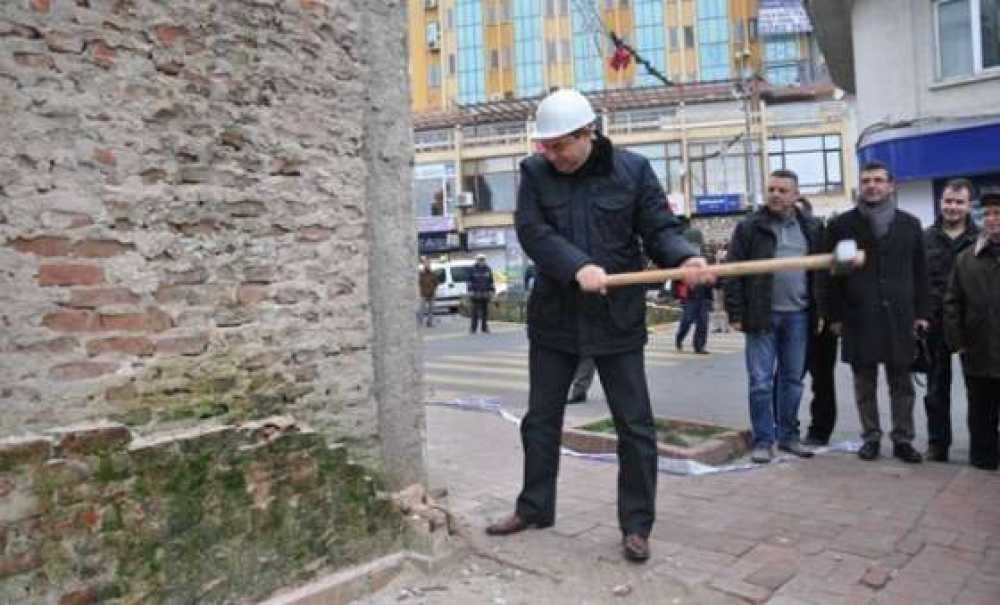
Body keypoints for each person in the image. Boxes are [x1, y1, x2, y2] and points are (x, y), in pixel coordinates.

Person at [485, 88, 711, 563]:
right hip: (556, 318)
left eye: (559, 145)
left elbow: (659, 229)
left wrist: (685, 257)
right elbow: (533, 231)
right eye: (544, 146)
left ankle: (636, 526)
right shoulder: (535, 173)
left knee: (635, 426)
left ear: (588, 134)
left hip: (616, 319)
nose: (550, 154)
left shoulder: (632, 170)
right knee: (541, 420)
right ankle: (534, 508)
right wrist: (576, 265)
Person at [822, 160, 929, 463]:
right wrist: (835, 316)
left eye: (878, 180)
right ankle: (870, 438)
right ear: (861, 185)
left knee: (902, 384)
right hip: (859, 315)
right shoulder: (841, 225)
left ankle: (903, 440)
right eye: (867, 180)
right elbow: (829, 275)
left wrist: (921, 312)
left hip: (900, 316)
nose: (872, 185)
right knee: (864, 383)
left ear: (891, 185)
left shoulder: (909, 224)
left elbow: (920, 271)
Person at [724, 170, 820, 463]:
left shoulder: (811, 228)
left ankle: (789, 436)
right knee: (761, 382)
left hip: (799, 316)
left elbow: (821, 275)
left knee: (792, 380)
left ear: (795, 194)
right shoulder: (749, 227)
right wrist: (736, 313)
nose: (776, 195)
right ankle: (763, 440)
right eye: (772, 189)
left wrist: (821, 311)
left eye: (783, 190)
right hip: (761, 316)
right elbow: (732, 272)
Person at [922, 179, 980, 462]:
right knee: (935, 389)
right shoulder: (925, 238)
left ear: (969, 206)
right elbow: (916, 282)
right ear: (940, 202)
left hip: (972, 327)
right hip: (934, 324)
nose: (952, 207)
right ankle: (938, 444)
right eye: (948, 201)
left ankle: (982, 444)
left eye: (959, 202)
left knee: (979, 390)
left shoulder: (981, 240)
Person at [944, 191, 1000, 471]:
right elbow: (952, 302)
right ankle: (984, 459)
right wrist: (958, 342)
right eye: (987, 214)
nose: (991, 219)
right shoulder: (966, 259)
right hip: (977, 350)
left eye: (997, 213)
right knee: (981, 410)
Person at [797, 198, 839, 447]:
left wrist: (830, 314)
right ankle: (786, 427)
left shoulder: (822, 235)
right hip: (790, 317)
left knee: (822, 379)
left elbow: (831, 278)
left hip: (820, 319)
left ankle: (820, 430)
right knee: (788, 378)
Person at [468, 254, 495, 334]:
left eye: (483, 259)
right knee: (474, 312)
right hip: (475, 294)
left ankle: (484, 328)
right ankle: (473, 328)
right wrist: (470, 290)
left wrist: (492, 290)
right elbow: (469, 281)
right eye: (480, 259)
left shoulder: (488, 269)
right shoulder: (472, 269)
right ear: (477, 260)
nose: (481, 261)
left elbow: (491, 281)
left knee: (485, 312)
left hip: (485, 293)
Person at [418, 256, 439, 327]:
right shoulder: (421, 274)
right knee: (421, 309)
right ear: (424, 265)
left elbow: (436, 282)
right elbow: (418, 282)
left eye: (429, 264)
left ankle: (429, 322)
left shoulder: (433, 273)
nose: (428, 265)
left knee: (431, 309)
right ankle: (419, 323)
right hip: (423, 294)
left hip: (432, 293)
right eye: (426, 264)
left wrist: (433, 288)